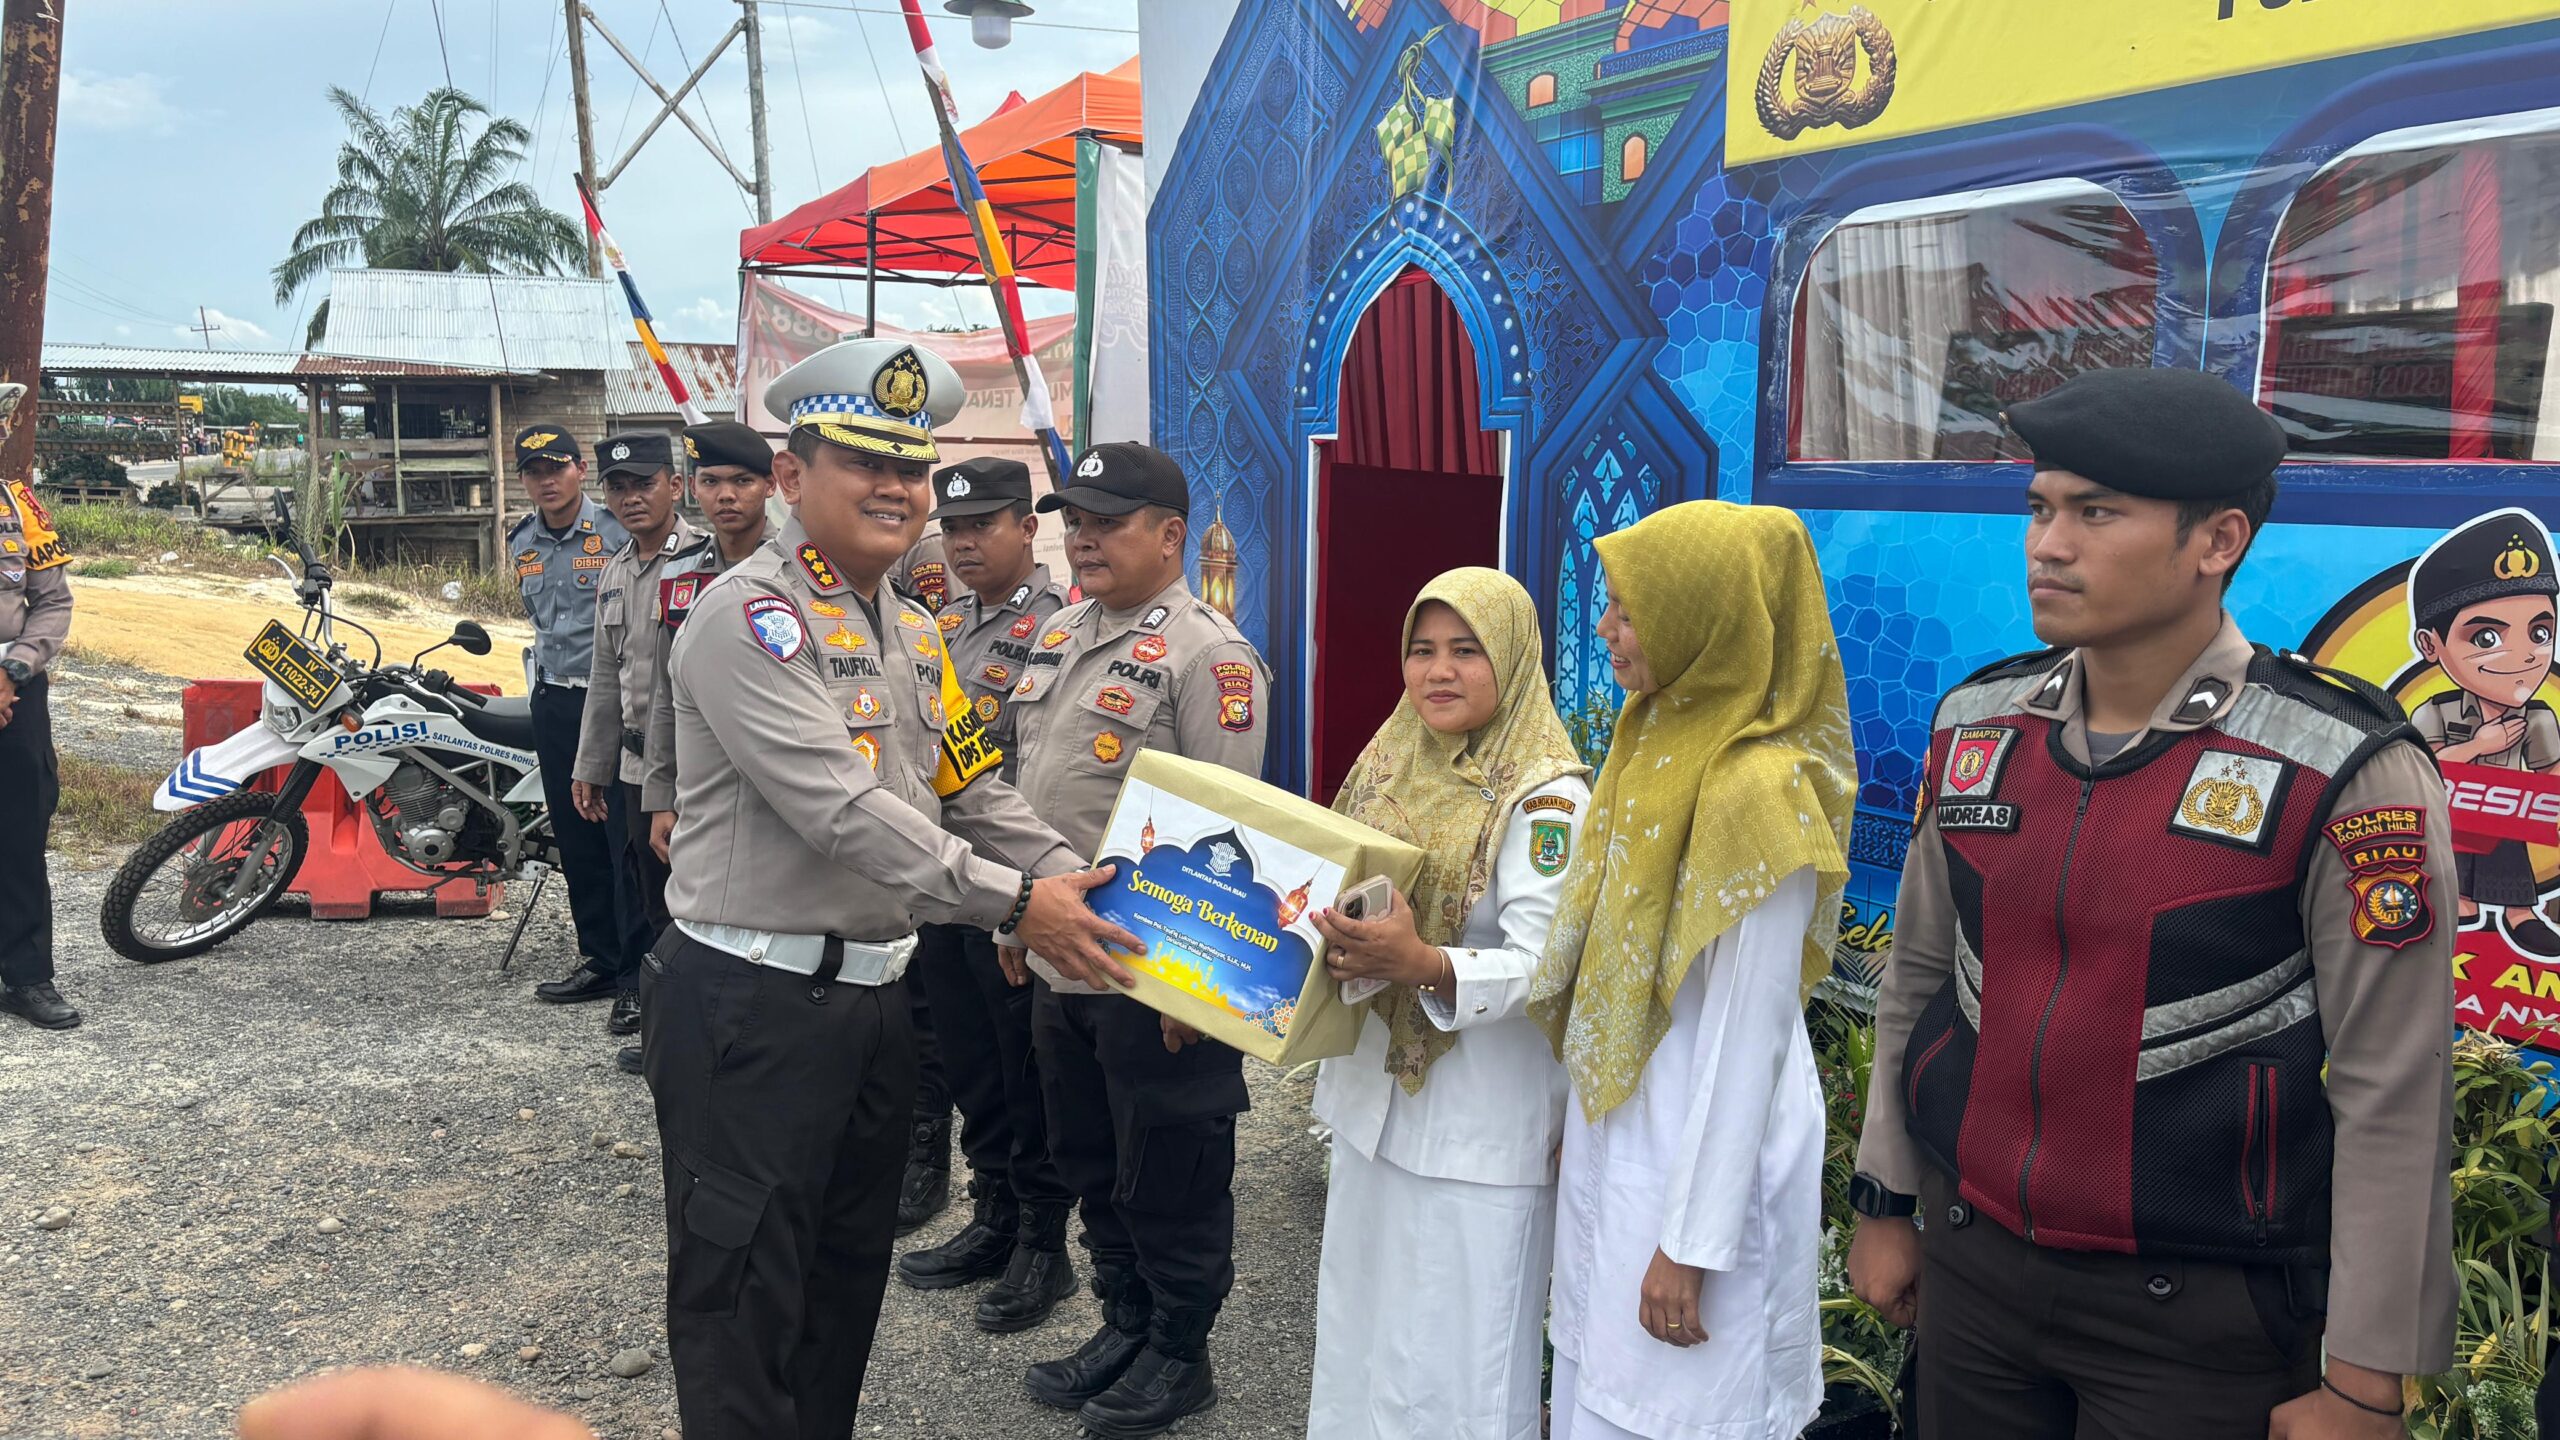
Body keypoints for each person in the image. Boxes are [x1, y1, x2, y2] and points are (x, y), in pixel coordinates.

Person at [1846, 367, 2458, 1439]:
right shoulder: (1980, 725)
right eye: (2039, 508)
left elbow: (2393, 1086)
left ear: (2217, 540)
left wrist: (2367, 1379)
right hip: (1973, 1277)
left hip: (2200, 1319)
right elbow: (1916, 980)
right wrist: (1884, 1201)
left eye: (2095, 514)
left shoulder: (2340, 765)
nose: (2047, 545)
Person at [644, 336, 1141, 1439]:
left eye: (911, 469)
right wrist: (1020, 908)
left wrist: (1080, 880)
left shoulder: (912, 628)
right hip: (752, 1006)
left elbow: (970, 788)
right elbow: (842, 808)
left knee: (841, 1285)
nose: (897, 489)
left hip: (872, 1003)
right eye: (865, 462)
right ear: (791, 475)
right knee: (745, 1298)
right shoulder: (748, 617)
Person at [1524, 499, 1855, 1440]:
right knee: (1595, 1384)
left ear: (1704, 620)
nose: (1604, 628)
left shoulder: (1761, 793)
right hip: (1629, 1126)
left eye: (1628, 610)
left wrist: (1693, 1243)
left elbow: (1748, 1035)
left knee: (1680, 1407)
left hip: (1703, 1159)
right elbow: (1611, 968)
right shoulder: (1653, 739)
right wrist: (1579, 1114)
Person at [1000, 440, 1271, 1438]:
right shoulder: (1062, 631)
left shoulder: (1211, 657)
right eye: (1076, 521)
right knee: (1087, 1156)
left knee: (1170, 1168)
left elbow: (1227, 832)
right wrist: (1017, 914)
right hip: (1061, 952)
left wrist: (1192, 987)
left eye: (1107, 523)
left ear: (1169, 535)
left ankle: (1180, 1352)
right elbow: (1029, 789)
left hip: (1150, 973)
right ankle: (1126, 1322)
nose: (1083, 538)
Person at [1303, 568, 1591, 1440]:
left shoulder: (1547, 796)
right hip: (1374, 1107)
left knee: (1459, 1366)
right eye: (1422, 650)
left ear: (1513, 658)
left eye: (1467, 650)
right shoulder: (1390, 763)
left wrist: (1424, 963)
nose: (1438, 671)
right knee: (1360, 1341)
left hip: (1477, 1128)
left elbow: (1545, 965)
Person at [896, 455, 1081, 1334]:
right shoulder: (938, 625)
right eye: (954, 529)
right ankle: (994, 1216)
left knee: (1025, 1071)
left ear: (1027, 528)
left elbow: (1040, 771)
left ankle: (1044, 1245)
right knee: (970, 1063)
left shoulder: (1060, 627)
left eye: (984, 525)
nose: (964, 544)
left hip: (1015, 888)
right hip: (943, 882)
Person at [628, 419, 778, 1076]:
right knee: (690, 913)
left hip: (776, 772)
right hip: (701, 779)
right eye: (711, 482)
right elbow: (665, 693)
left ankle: (760, 1044)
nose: (726, 496)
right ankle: (688, 1042)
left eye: (742, 481)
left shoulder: (801, 566)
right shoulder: (681, 575)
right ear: (693, 489)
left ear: (772, 486)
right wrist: (660, 795)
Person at [569, 432, 690, 1047]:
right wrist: (591, 764)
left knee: (692, 894)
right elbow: (604, 676)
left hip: (692, 766)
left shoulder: (704, 562)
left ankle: (689, 1021)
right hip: (634, 766)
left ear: (675, 485)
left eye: (644, 484)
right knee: (645, 891)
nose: (631, 498)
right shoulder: (614, 570)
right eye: (617, 487)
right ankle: (653, 1005)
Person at [504, 424, 632, 1010]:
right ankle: (601, 959)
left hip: (610, 702)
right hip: (553, 700)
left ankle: (638, 971)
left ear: (580, 469)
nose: (546, 481)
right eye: (533, 472)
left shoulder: (616, 531)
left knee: (621, 835)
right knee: (576, 836)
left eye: (556, 468)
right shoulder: (520, 541)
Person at [2405, 508, 2560, 956]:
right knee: (2451, 849)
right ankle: (2459, 903)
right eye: (2487, 638)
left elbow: (2551, 771)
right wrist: (2477, 745)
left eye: (2540, 632)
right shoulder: (2434, 711)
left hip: (2508, 813)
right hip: (2451, 812)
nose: (2525, 655)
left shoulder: (2538, 718)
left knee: (2509, 851)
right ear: (2430, 644)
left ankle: (2519, 914)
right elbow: (2421, 767)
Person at [0, 382, 79, 1030]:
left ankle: (27, 976)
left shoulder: (20, 506)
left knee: (21, 830)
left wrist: (12, 670)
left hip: (14, 688)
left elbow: (53, 602)